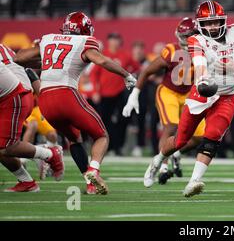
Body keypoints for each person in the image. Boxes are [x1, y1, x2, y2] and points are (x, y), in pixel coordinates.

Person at [143, 0, 234, 197]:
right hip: (203, 93)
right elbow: (200, 63)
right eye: (208, 23)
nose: (213, 26)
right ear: (200, 25)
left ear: (224, 20)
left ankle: (194, 181)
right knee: (180, 140)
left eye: (216, 22)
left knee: (212, 138)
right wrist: (205, 78)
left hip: (227, 96)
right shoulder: (196, 40)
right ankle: (158, 160)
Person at [14, 12, 137, 195]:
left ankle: (89, 184)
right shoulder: (84, 42)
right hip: (66, 94)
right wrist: (126, 75)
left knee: (74, 139)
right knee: (102, 135)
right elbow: (101, 60)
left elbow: (19, 58)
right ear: (84, 29)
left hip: (45, 100)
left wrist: (48, 60)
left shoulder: (48, 39)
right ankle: (93, 171)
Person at [123, 17, 206, 185]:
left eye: (191, 35)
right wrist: (134, 94)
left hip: (189, 93)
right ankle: (162, 166)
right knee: (171, 127)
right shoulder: (171, 51)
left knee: (200, 136)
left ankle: (176, 152)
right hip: (169, 92)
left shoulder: (205, 49)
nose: (186, 40)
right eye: (185, 36)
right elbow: (147, 71)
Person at [0, 60, 63, 192]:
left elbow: (28, 70)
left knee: (6, 146)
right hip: (15, 95)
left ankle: (48, 153)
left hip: (15, 97)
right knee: (4, 146)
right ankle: (27, 181)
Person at [90, 32, 140, 156]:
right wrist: (95, 91)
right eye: (112, 39)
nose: (114, 42)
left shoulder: (125, 55)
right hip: (104, 94)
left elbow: (136, 67)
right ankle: (108, 147)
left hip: (120, 93)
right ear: (108, 41)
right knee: (105, 122)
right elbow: (93, 74)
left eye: (117, 39)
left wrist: (128, 77)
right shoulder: (102, 55)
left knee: (123, 119)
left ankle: (118, 147)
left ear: (120, 41)